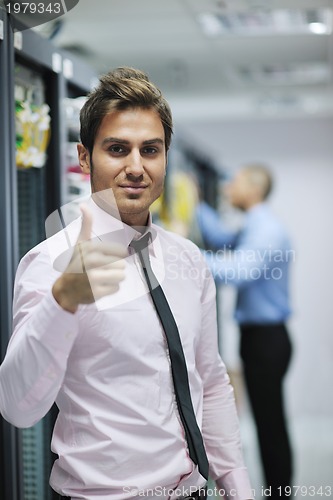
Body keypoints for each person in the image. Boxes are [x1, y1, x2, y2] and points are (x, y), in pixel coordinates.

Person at [0, 67, 253, 500]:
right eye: (117, 149)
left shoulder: (187, 259)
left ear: (165, 156)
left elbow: (209, 380)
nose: (136, 167)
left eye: (150, 150)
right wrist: (63, 301)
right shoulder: (49, 264)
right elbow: (18, 407)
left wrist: (237, 484)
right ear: (84, 158)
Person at [196, 165, 293, 499]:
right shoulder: (254, 224)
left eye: (233, 183)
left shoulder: (265, 230)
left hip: (267, 339)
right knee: (268, 423)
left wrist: (181, 252)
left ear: (253, 188)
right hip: (262, 337)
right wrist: (195, 204)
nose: (226, 189)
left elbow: (236, 271)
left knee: (270, 426)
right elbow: (223, 239)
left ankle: (280, 494)